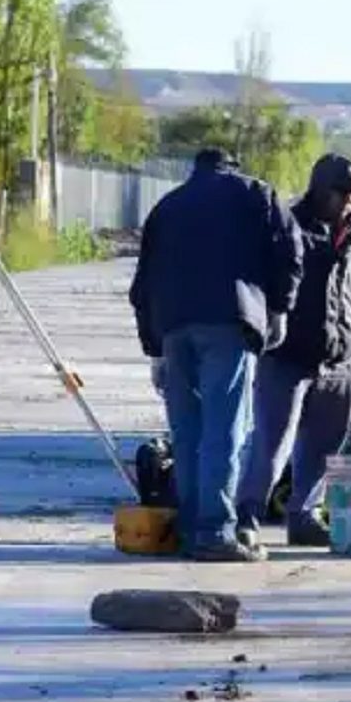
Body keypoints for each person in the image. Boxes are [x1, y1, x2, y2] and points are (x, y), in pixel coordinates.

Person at [130, 147, 301, 562]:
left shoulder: (167, 206)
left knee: (186, 433)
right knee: (225, 429)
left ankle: (190, 528)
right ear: (231, 166)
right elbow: (290, 252)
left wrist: (154, 349)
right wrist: (279, 308)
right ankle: (216, 531)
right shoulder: (255, 194)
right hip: (228, 321)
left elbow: (142, 285)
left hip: (173, 328)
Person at [236, 154, 351, 549]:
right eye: (345, 191)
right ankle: (246, 515)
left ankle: (304, 517)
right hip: (288, 358)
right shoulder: (286, 229)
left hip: (340, 361)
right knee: (272, 442)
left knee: (323, 448)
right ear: (321, 189)